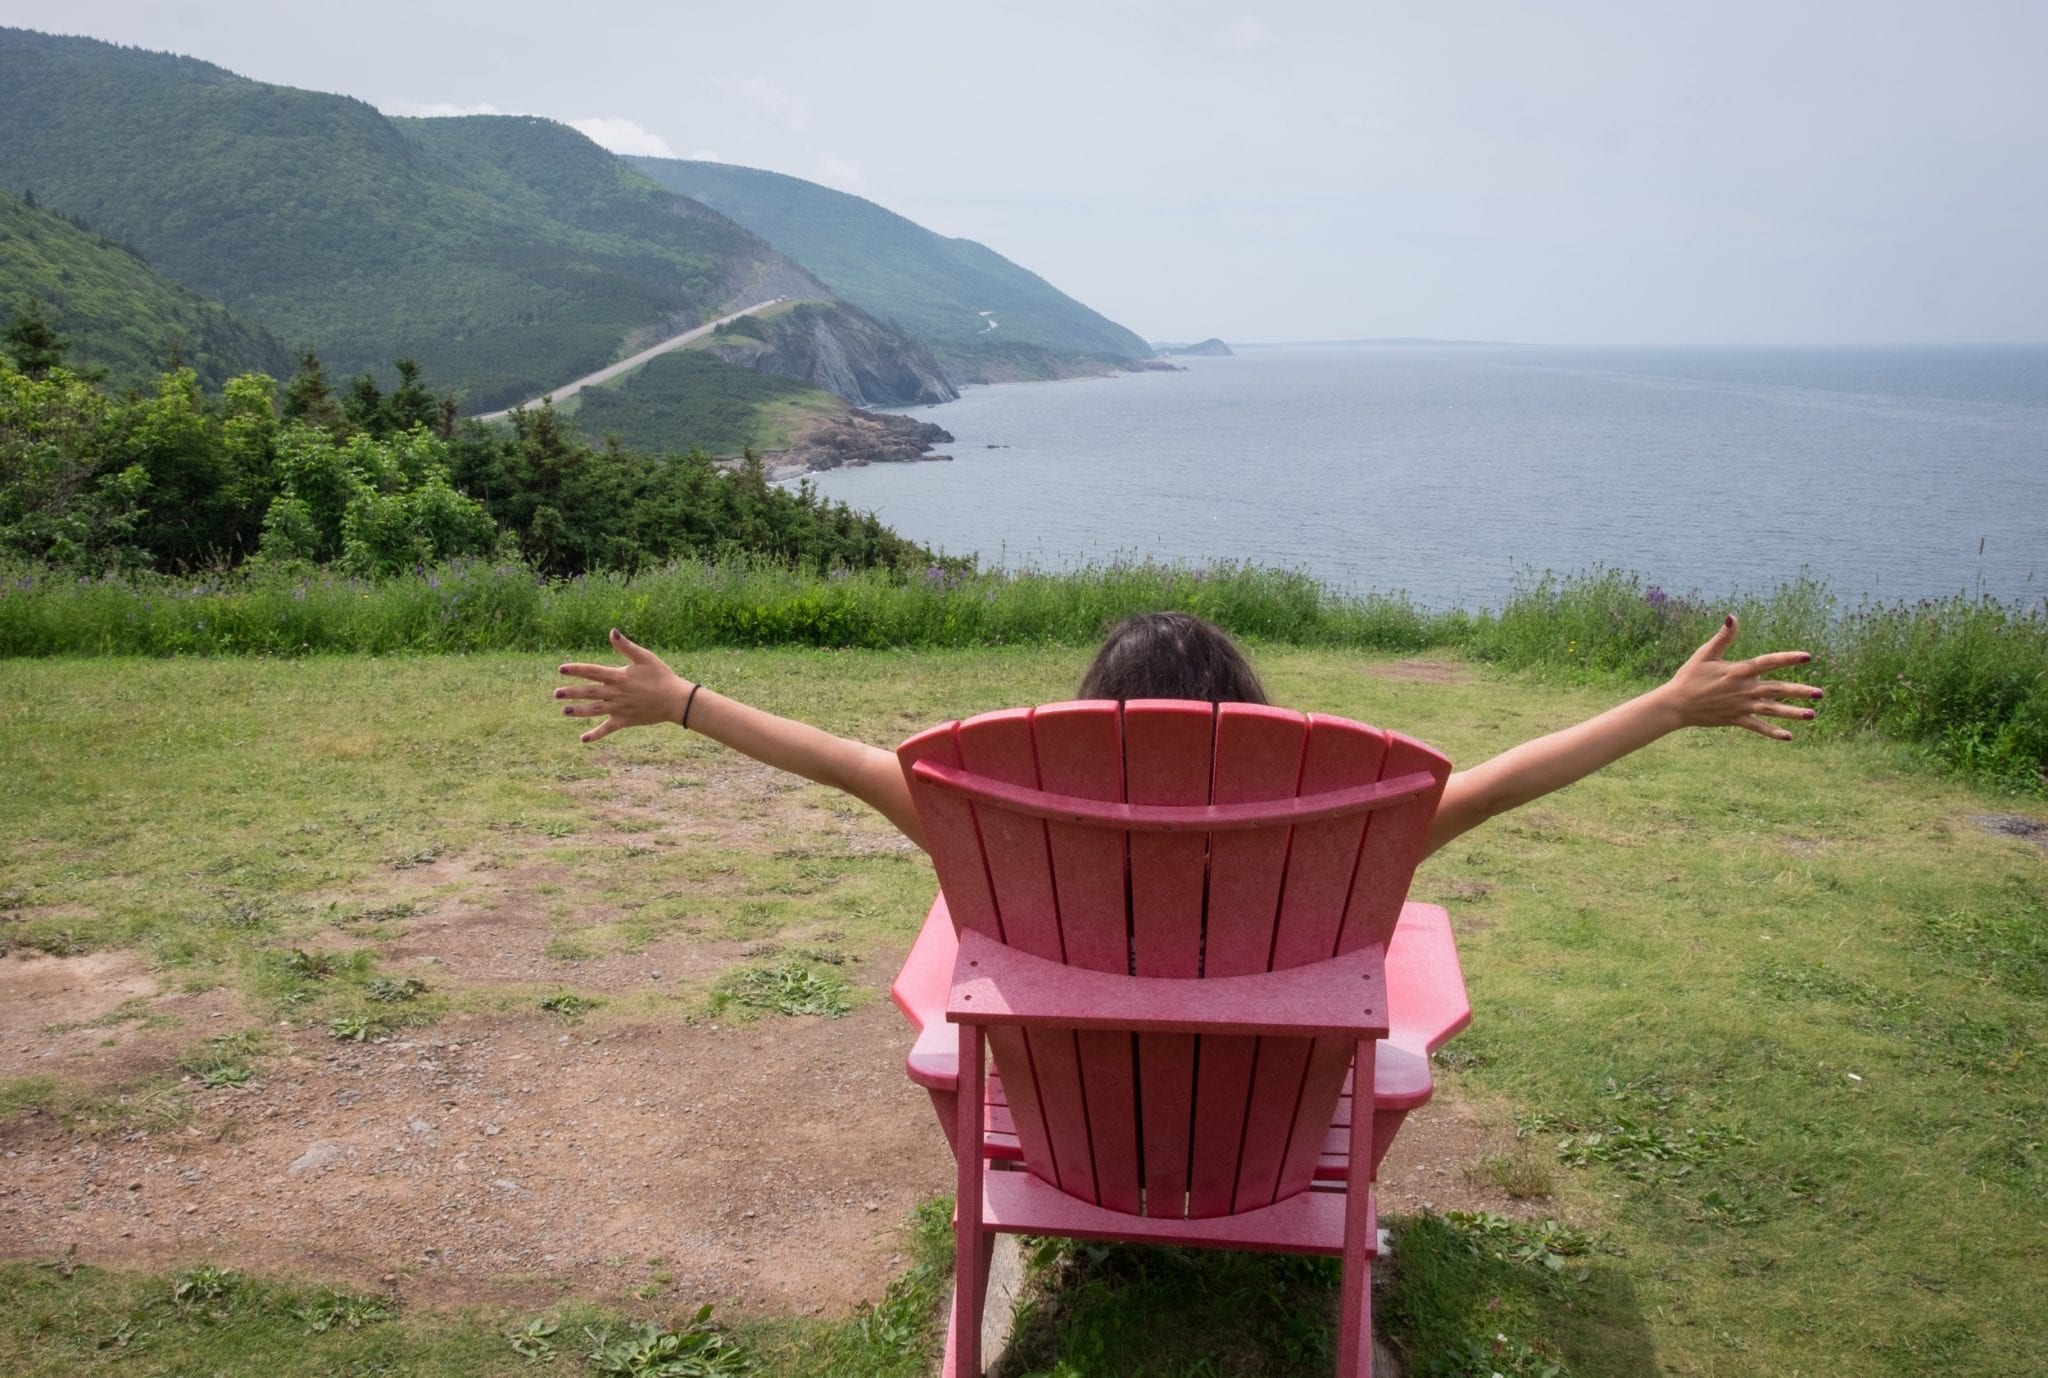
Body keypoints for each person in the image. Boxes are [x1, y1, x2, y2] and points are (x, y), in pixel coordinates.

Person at [553, 611, 1820, 857]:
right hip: (1261, 1127)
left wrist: (683, 703)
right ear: (1251, 716)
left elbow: (820, 749)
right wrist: (1661, 706)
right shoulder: (1341, 827)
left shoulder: (972, 802)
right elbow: (1505, 780)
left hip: (1069, 1120)